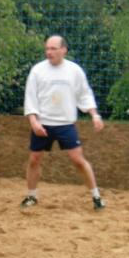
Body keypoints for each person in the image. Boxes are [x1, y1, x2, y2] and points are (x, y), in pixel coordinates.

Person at [21, 35, 106, 210]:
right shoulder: (37, 70)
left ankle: (96, 197)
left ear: (64, 50)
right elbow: (30, 98)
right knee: (34, 159)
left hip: (66, 124)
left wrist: (94, 115)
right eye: (47, 49)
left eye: (53, 48)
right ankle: (31, 196)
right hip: (43, 123)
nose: (49, 52)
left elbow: (85, 94)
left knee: (77, 159)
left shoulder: (74, 71)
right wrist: (34, 121)